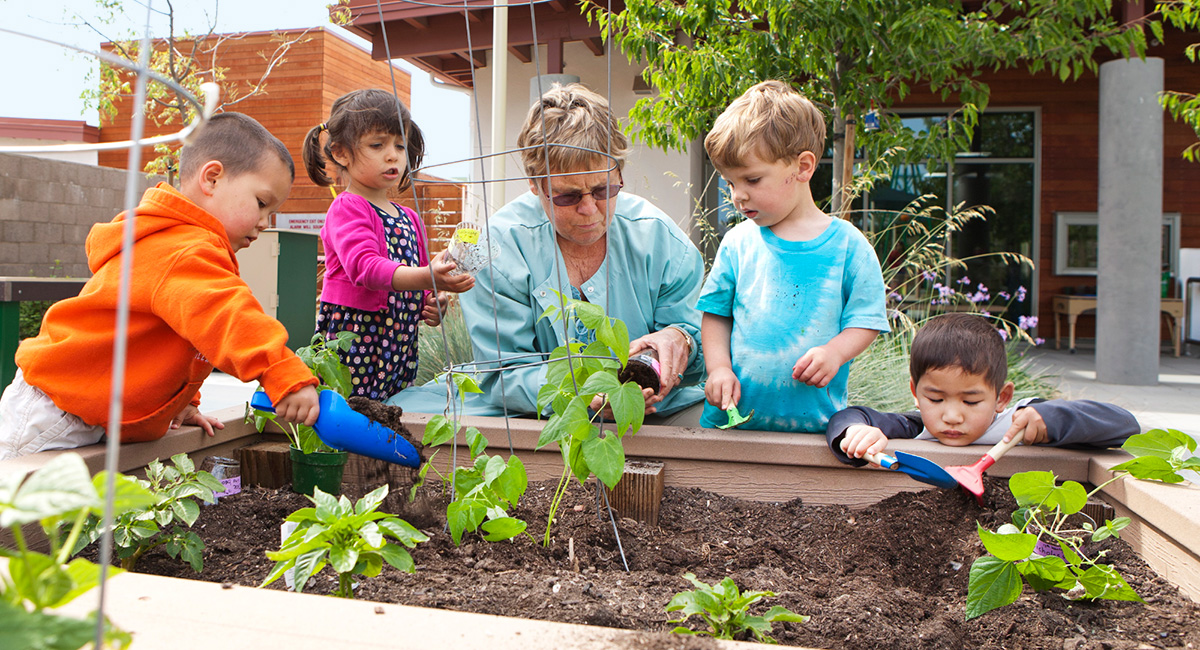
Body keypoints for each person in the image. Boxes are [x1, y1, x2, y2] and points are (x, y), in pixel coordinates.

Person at [0, 113, 320, 460]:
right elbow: (226, 314)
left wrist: (182, 403)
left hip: (82, 411)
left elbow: (187, 337)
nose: (263, 223)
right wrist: (281, 372)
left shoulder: (184, 245)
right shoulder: (183, 248)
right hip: (56, 413)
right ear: (211, 178)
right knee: (21, 506)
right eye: (261, 203)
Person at [390, 82, 706, 420]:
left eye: (604, 189)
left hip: (657, 410)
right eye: (567, 196)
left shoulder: (661, 241)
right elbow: (504, 373)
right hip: (530, 412)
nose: (590, 210)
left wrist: (681, 339)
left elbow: (698, 354)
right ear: (534, 184)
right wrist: (582, 396)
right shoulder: (498, 249)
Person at [698, 80, 890, 432]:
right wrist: (719, 368)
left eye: (752, 179)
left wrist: (835, 352)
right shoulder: (738, 242)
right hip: (730, 426)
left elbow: (867, 319)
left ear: (803, 167)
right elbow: (715, 314)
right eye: (730, 183)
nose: (737, 196)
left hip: (812, 430)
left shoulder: (848, 246)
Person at [303, 89, 475, 401]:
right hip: (355, 342)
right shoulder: (348, 208)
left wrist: (434, 302)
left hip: (399, 347)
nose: (393, 154)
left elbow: (420, 284)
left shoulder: (409, 217)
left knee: (393, 412)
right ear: (341, 152)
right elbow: (365, 268)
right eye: (377, 145)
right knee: (351, 412)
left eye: (400, 145)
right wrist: (427, 275)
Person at [827, 313, 1139, 465]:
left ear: (1001, 397)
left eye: (971, 400)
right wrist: (854, 433)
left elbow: (1123, 425)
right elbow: (849, 416)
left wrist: (1051, 420)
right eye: (935, 398)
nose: (951, 416)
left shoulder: (1021, 421)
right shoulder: (918, 428)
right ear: (915, 391)